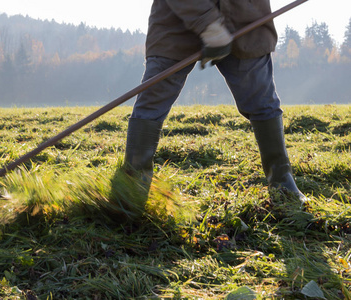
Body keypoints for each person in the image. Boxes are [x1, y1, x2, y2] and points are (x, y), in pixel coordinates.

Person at [123, 0, 308, 203]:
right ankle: (131, 190)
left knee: (263, 101)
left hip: (244, 17)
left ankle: (283, 185)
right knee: (152, 102)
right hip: (176, 20)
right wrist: (208, 24)